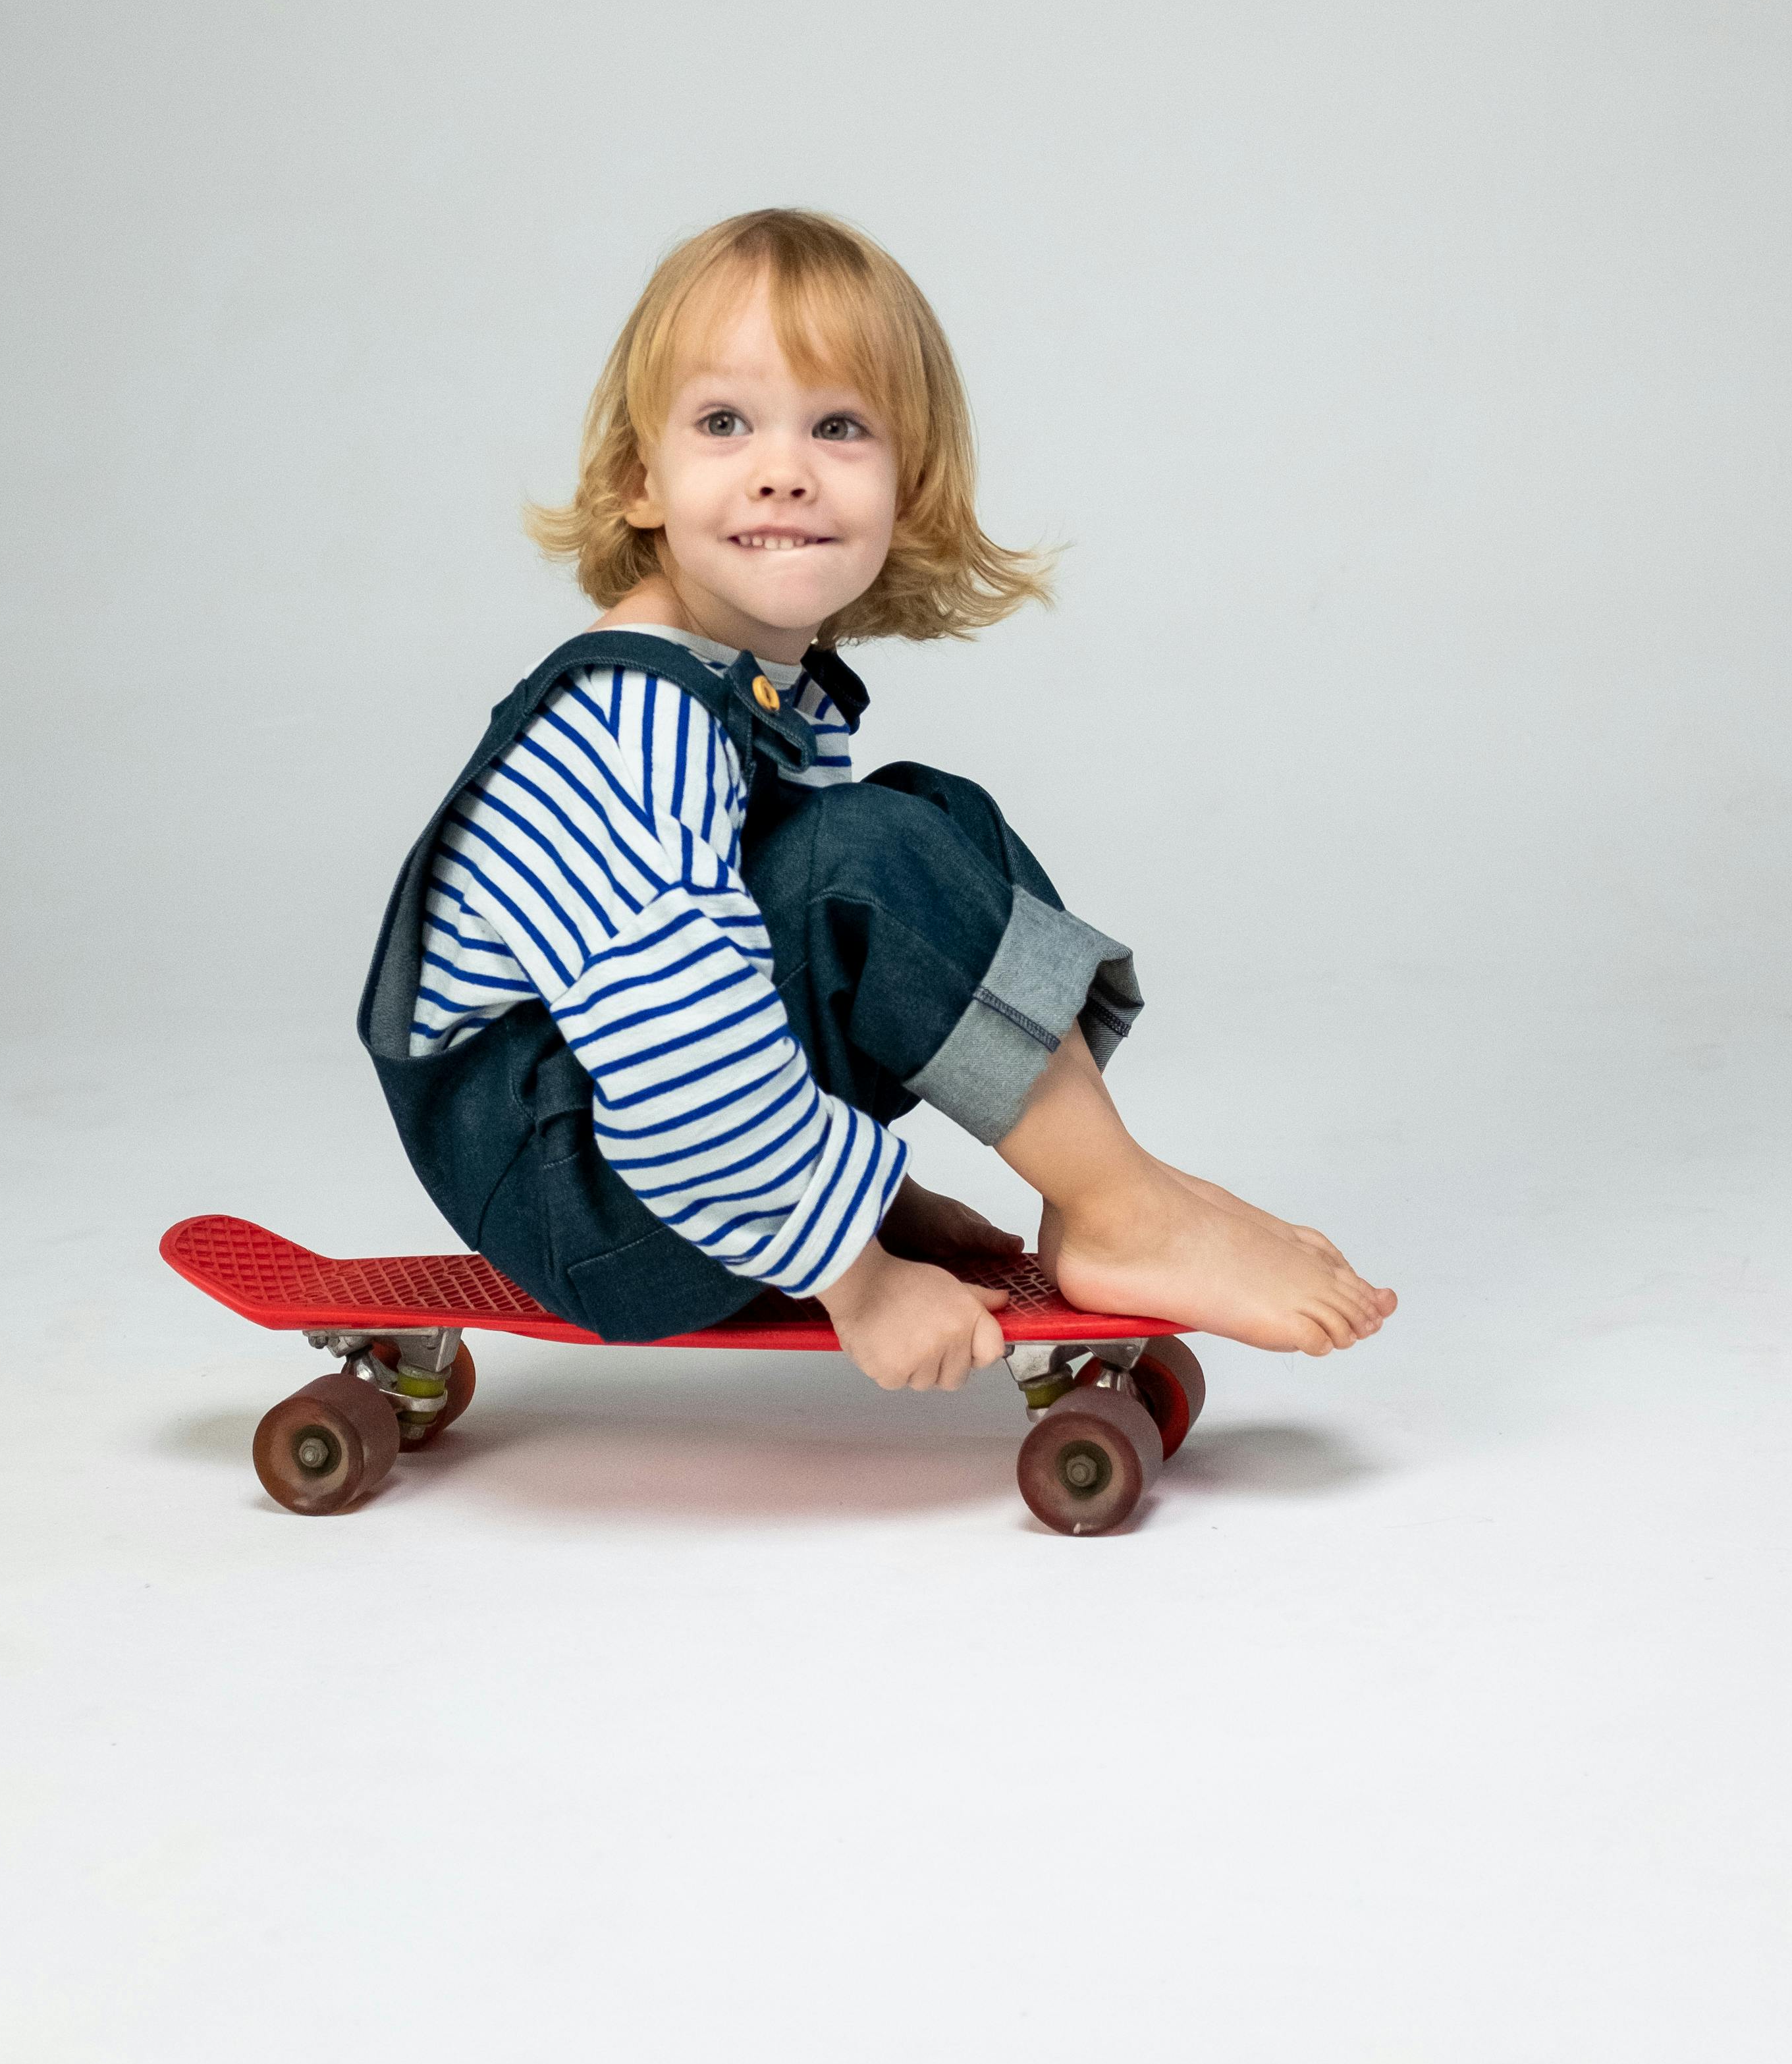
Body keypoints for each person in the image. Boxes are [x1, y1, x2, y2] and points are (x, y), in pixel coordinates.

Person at [358, 207, 1395, 1388]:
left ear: (909, 486)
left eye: (839, 426)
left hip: (653, 1139)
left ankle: (1106, 1185)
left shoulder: (747, 685)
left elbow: (765, 971)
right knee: (871, 861)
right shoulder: (630, 726)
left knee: (935, 819)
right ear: (640, 481)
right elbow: (679, 1045)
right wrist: (857, 1270)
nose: (783, 467)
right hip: (588, 1196)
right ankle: (1124, 1211)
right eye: (723, 422)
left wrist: (887, 1199)